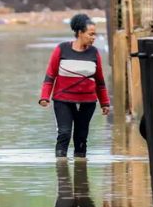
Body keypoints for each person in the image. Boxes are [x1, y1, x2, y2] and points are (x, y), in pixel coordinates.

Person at [39, 13, 110, 159]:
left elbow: (100, 81)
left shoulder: (94, 53)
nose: (94, 37)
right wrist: (44, 97)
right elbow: (50, 75)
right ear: (79, 33)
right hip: (63, 100)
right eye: (91, 34)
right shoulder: (62, 49)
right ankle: (62, 172)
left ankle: (80, 174)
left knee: (81, 137)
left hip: (88, 102)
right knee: (64, 133)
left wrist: (105, 103)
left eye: (94, 34)